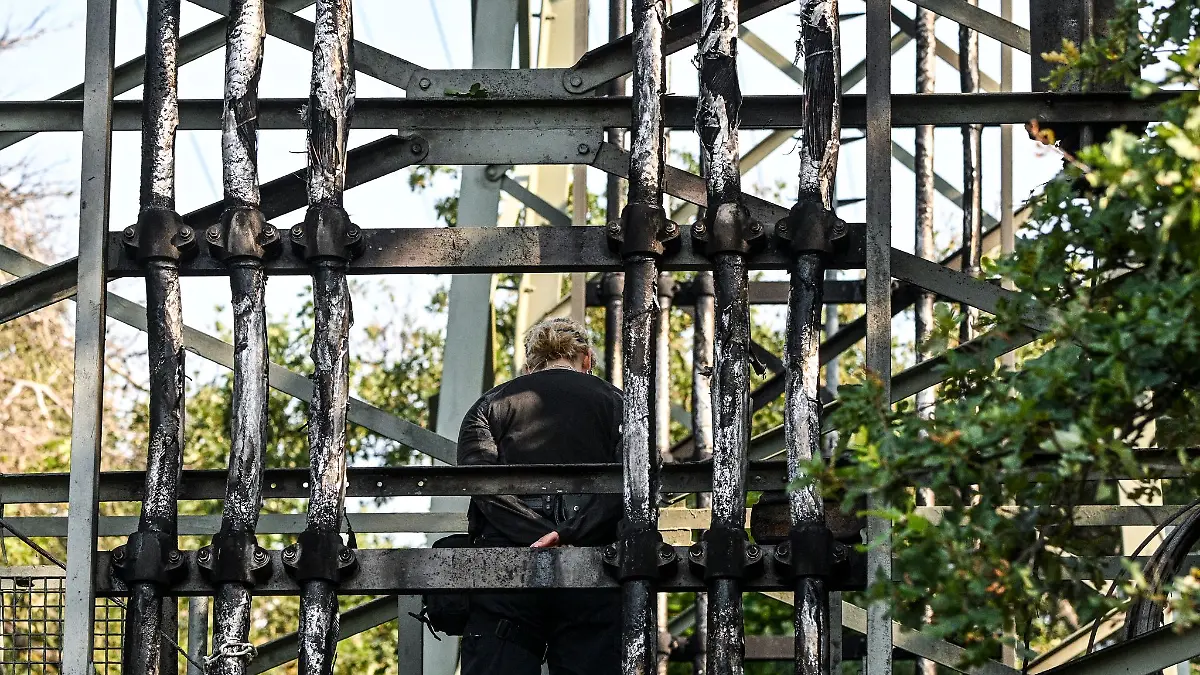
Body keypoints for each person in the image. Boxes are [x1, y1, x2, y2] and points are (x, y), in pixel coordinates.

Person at [457, 317, 624, 675]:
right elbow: (631, 484)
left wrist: (539, 535)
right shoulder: (620, 404)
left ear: (529, 365)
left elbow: (483, 487)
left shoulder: (489, 405)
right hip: (595, 568)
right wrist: (568, 534)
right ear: (587, 359)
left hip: (506, 569)